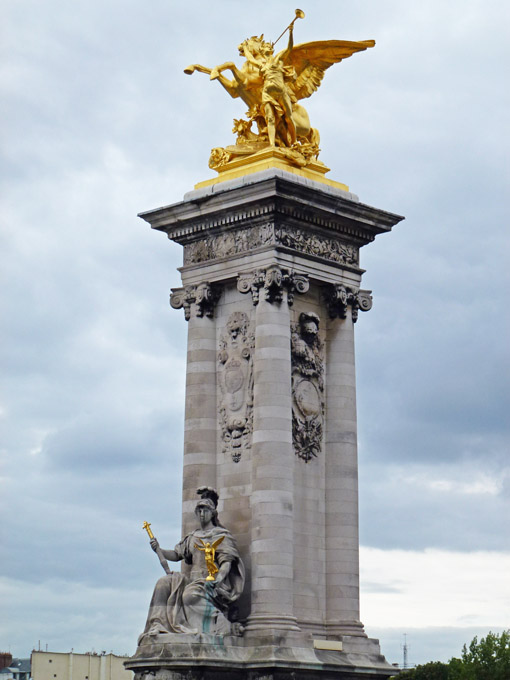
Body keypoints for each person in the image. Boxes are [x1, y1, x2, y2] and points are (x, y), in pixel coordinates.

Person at [139, 488, 245, 639]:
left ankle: (220, 624)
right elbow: (177, 555)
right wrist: (159, 549)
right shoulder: (193, 537)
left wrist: (217, 580)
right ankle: (158, 624)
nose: (202, 514)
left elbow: (226, 564)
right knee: (163, 583)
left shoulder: (221, 536)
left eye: (205, 510)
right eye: (199, 511)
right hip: (192, 580)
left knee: (189, 595)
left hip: (211, 581)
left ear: (213, 513)